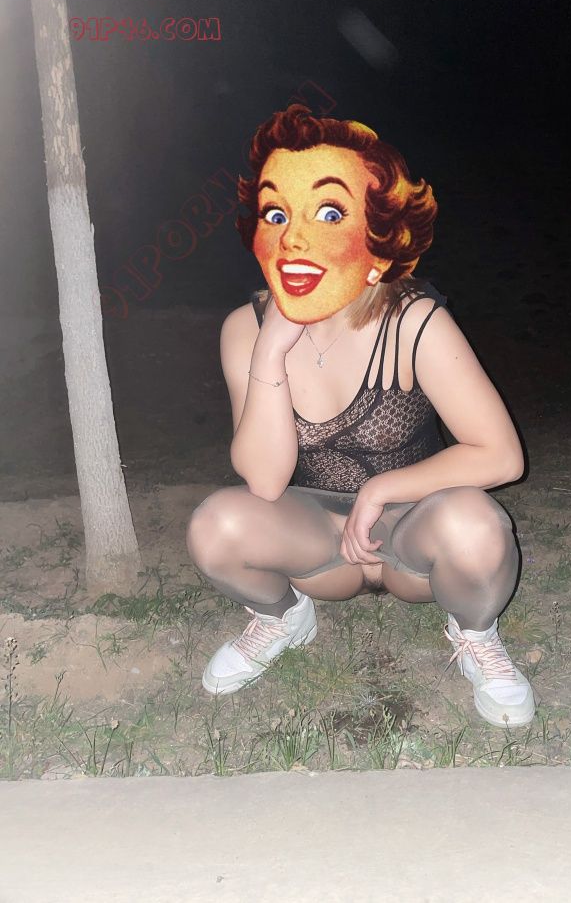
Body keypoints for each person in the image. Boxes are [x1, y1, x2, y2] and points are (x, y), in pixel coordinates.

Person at [186, 104, 535, 728]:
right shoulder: (246, 328)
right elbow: (263, 481)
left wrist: (381, 490)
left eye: (328, 213)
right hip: (316, 544)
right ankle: (282, 618)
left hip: (413, 534)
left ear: (379, 237)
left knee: (478, 526)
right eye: (276, 213)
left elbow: (501, 457)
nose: (294, 238)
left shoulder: (414, 320)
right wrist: (270, 353)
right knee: (217, 526)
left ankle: (476, 633)